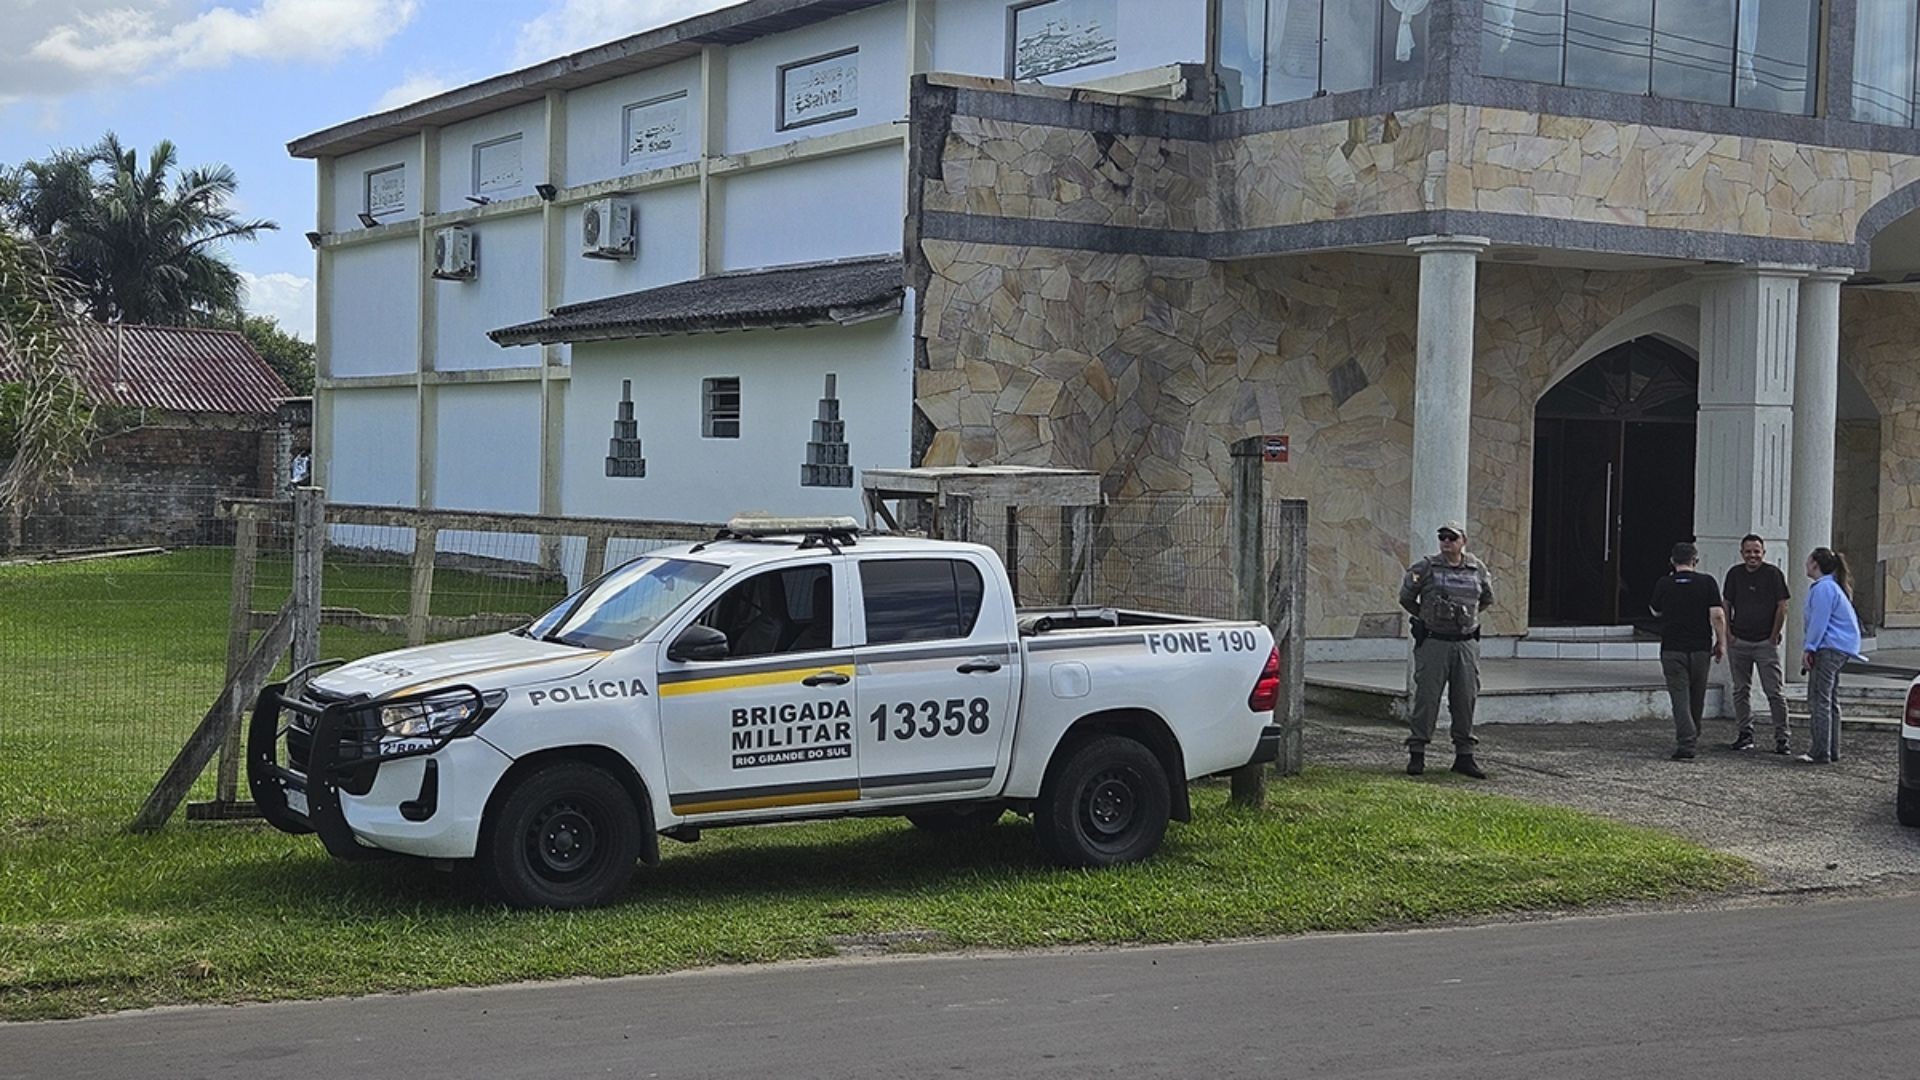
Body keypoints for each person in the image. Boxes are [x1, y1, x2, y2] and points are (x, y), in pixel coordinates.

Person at [1398, 519, 1495, 779]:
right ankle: (1417, 753)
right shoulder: (1426, 567)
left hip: (1465, 643)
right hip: (1434, 642)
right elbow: (1406, 598)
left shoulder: (1476, 568)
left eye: (1452, 538)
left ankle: (1465, 755)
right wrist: (1426, 616)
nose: (1446, 542)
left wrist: (1466, 618)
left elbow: (1486, 599)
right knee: (1427, 698)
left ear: (1463, 541)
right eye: (1442, 537)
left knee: (1465, 699)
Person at [1649, 542, 1727, 761]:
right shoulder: (1707, 582)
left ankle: (1686, 742)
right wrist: (1721, 642)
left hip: (1673, 647)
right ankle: (1694, 732)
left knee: (1679, 696)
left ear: (1672, 561)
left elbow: (1655, 610)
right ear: (1695, 561)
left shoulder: (1665, 583)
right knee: (1697, 694)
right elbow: (1718, 615)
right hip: (1700, 648)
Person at [1721, 534, 1791, 754]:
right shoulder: (1734, 574)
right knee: (1740, 690)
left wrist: (1774, 634)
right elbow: (1726, 604)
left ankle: (1782, 737)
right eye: (1748, 552)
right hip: (1739, 641)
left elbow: (1782, 605)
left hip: (1764, 642)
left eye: (1756, 551)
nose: (1752, 556)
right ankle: (1745, 733)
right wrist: (1727, 633)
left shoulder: (1773, 574)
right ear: (1742, 553)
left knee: (1774, 691)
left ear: (1763, 552)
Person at [1800, 547, 1865, 765]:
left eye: (1809, 560)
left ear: (1815, 564)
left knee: (1819, 699)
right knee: (1830, 698)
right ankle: (1831, 748)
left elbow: (1819, 621)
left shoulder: (1823, 588)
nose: (1806, 564)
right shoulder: (1832, 587)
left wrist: (1809, 647)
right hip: (1839, 648)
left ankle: (1820, 750)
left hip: (1828, 647)